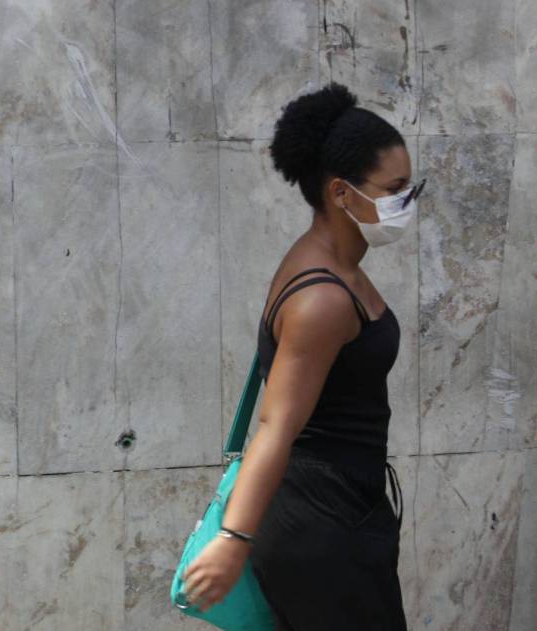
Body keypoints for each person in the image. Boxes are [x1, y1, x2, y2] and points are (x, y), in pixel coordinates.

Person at [183, 83, 422, 629]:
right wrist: (232, 538)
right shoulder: (323, 297)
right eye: (395, 189)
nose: (405, 203)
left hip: (342, 509)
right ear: (341, 193)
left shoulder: (336, 265)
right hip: (319, 522)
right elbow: (275, 424)